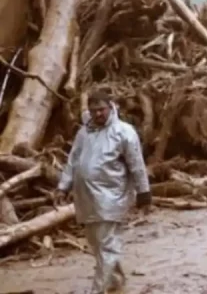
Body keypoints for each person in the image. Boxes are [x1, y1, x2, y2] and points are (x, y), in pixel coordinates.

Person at [55, 89, 151, 294]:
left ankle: (98, 290)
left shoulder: (124, 132)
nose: (98, 114)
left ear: (111, 107)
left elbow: (136, 164)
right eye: (93, 110)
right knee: (97, 244)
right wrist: (63, 187)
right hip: (86, 199)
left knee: (107, 245)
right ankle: (116, 281)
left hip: (112, 198)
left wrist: (144, 193)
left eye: (101, 109)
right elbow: (73, 161)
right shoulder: (84, 133)